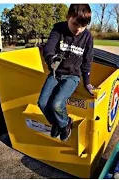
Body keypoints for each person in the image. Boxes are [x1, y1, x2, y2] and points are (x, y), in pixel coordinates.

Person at [38, 4, 95, 141]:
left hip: (72, 76)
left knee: (56, 104)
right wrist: (51, 58)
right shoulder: (59, 28)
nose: (79, 29)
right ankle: (57, 123)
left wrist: (87, 83)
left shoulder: (87, 37)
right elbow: (49, 48)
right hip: (55, 73)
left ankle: (65, 123)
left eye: (83, 26)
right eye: (75, 24)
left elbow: (87, 62)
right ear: (68, 17)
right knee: (42, 103)